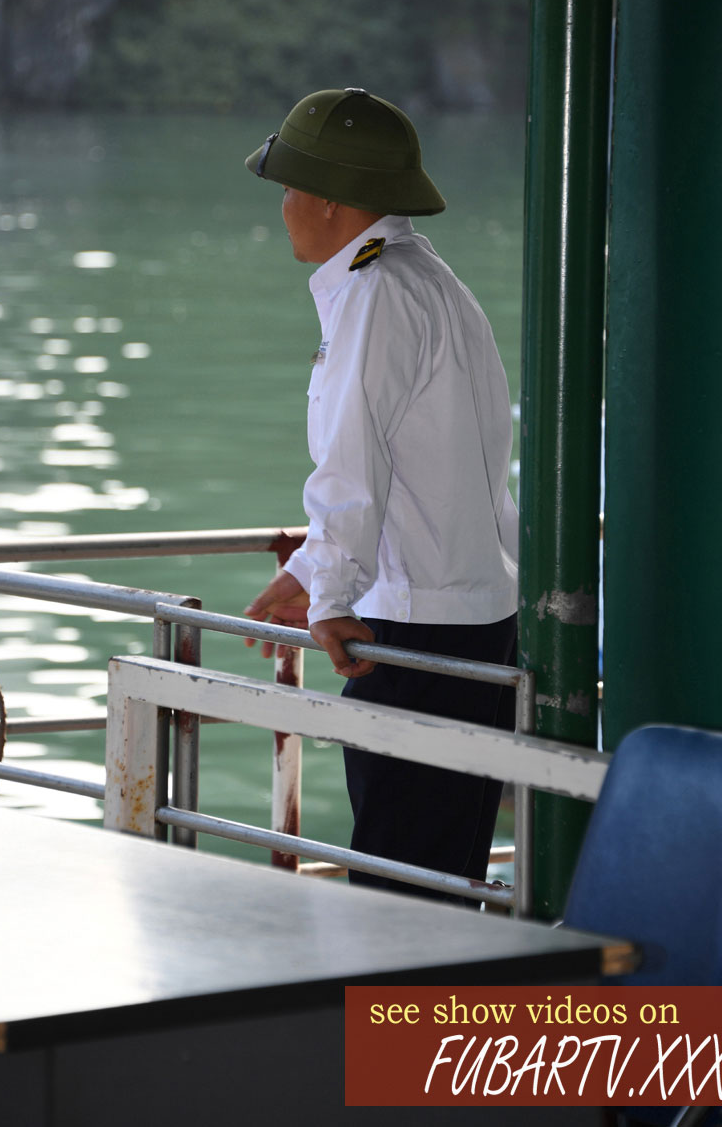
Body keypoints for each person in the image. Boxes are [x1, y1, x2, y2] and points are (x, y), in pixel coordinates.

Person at [243, 87, 518, 903]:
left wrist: (329, 596)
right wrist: (315, 571)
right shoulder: (421, 275)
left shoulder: (372, 291)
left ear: (330, 200)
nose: (284, 205)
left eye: (291, 187)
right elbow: (410, 468)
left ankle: (394, 1033)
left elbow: (352, 459)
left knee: (399, 894)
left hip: (416, 633)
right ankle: (425, 1028)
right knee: (444, 871)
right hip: (472, 619)